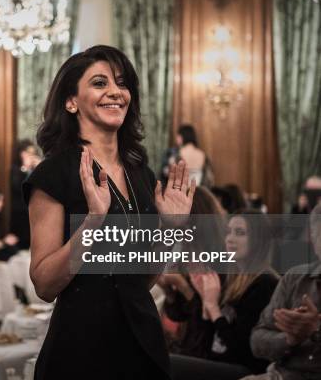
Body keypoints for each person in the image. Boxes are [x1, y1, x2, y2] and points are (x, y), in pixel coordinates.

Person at [23, 45, 195, 379]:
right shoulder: (53, 174)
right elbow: (44, 285)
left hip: (143, 343)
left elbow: (143, 278)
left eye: (121, 83)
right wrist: (93, 223)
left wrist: (172, 229)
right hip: (81, 350)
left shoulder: (141, 172)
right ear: (71, 102)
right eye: (100, 83)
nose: (115, 92)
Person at [170, 210, 279, 379]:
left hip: (245, 369)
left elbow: (242, 349)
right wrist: (204, 300)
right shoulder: (229, 278)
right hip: (218, 361)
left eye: (240, 233)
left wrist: (213, 308)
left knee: (168, 364)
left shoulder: (265, 284)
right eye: (228, 232)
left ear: (258, 240)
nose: (230, 239)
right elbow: (207, 341)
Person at [246, 203, 321, 380]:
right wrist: (290, 338)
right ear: (314, 239)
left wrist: (316, 331)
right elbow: (257, 341)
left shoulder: (266, 279)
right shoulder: (294, 277)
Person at [160, 186, 226, 359]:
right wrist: (170, 293)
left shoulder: (220, 260)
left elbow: (206, 326)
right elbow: (179, 315)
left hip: (208, 352)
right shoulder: (185, 254)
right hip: (189, 347)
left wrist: (185, 288)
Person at [10, 139, 41, 250]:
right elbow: (18, 187)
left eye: (32, 153)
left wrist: (40, 168)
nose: (30, 156)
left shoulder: (36, 168)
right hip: (20, 210)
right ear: (21, 153)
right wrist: (25, 168)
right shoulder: (15, 169)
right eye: (28, 153)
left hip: (36, 208)